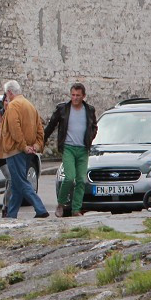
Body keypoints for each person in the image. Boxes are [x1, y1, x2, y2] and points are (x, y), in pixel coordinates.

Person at [43, 83, 98, 218]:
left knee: (80, 179)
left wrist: (90, 139)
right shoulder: (63, 109)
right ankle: (61, 204)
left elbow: (94, 127)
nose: (75, 98)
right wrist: (42, 141)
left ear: (83, 96)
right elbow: (51, 125)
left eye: (78, 95)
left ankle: (76, 209)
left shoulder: (89, 110)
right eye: (73, 95)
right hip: (68, 147)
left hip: (83, 148)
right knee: (69, 178)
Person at [0, 80, 49, 219]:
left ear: (9, 92)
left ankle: (40, 208)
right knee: (16, 184)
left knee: (20, 181)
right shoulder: (30, 105)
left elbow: (15, 129)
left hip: (15, 150)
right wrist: (36, 145)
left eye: (6, 94)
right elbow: (40, 128)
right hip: (27, 150)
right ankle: (11, 214)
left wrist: (23, 146)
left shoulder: (13, 106)